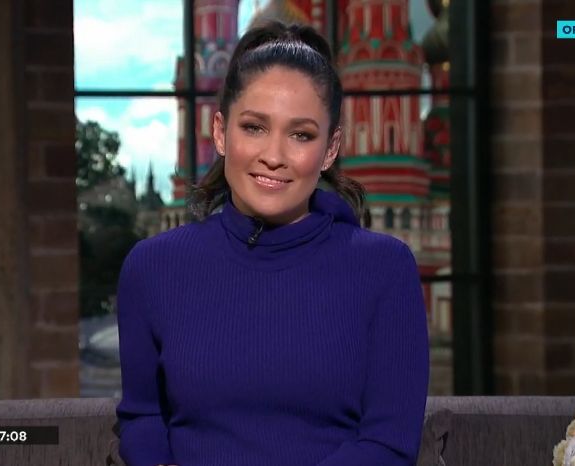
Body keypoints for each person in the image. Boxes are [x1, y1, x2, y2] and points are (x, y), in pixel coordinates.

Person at [115, 21, 429, 466]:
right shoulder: (152, 267)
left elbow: (389, 442)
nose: (274, 156)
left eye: (301, 134)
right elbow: (143, 417)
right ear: (220, 132)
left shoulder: (385, 269)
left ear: (331, 148)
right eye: (254, 127)